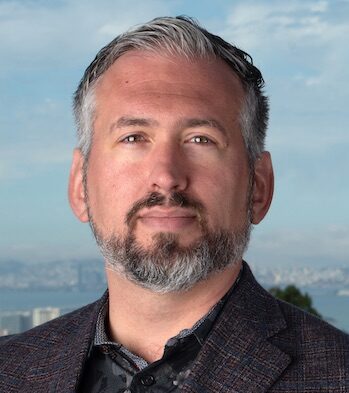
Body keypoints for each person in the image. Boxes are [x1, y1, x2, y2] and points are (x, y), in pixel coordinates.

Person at [0, 16, 348, 393]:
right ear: (80, 185)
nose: (166, 176)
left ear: (258, 187)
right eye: (134, 138)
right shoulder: (10, 369)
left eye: (200, 139)